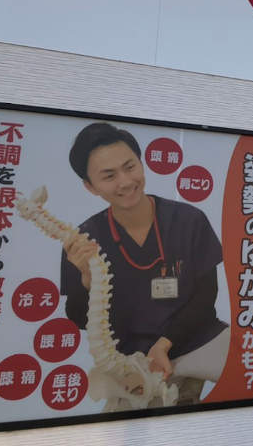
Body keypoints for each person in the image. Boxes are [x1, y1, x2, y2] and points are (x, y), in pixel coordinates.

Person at [61, 122, 229, 406]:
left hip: (199, 341)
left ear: (141, 164)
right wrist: (86, 283)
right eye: (109, 176)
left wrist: (164, 344)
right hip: (133, 361)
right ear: (90, 187)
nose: (125, 182)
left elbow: (206, 296)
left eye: (130, 167)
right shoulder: (83, 239)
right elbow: (79, 318)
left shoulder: (190, 220)